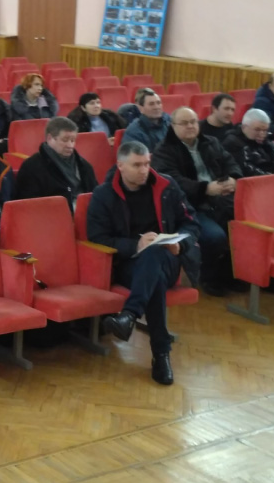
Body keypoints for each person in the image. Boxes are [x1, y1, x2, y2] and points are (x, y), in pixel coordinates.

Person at [86, 141, 201, 386]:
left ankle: (129, 315)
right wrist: (135, 245)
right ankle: (161, 354)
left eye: (147, 164)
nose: (144, 170)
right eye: (137, 165)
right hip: (127, 264)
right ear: (120, 166)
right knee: (152, 274)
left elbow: (191, 223)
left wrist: (181, 244)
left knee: (154, 254)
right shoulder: (103, 195)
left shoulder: (167, 186)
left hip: (168, 258)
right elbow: (97, 238)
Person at [150, 106, 242, 295]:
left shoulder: (211, 142)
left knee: (244, 229)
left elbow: (230, 162)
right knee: (215, 237)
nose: (190, 126)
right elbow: (173, 182)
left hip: (222, 199)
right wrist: (205, 188)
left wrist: (233, 178)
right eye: (184, 123)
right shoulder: (164, 150)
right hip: (190, 205)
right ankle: (208, 277)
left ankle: (231, 274)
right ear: (173, 126)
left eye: (193, 122)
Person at [14, 116, 97, 209]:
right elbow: (27, 206)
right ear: (50, 138)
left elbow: (95, 197)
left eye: (73, 140)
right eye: (65, 140)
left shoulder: (84, 166)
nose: (70, 145)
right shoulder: (31, 167)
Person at [223, 108, 274, 178]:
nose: (262, 134)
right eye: (257, 130)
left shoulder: (265, 142)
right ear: (244, 127)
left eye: (265, 130)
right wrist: (273, 178)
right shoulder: (232, 143)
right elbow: (247, 170)